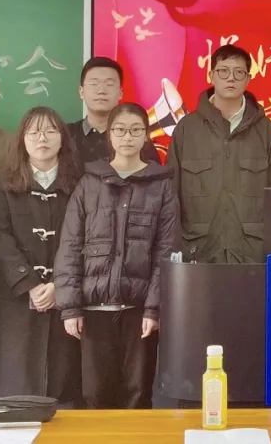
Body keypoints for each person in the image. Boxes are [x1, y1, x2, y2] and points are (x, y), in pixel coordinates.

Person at [55, 102, 177, 409]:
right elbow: (70, 245)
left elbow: (165, 251)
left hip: (139, 311)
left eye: (136, 130)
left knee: (138, 395)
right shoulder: (89, 183)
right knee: (94, 395)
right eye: (120, 130)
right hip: (93, 310)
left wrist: (154, 309)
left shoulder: (161, 185)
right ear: (109, 135)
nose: (128, 137)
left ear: (146, 136)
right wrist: (70, 307)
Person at [0, 107, 83, 405]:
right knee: (18, 383)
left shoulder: (81, 185)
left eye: (51, 131)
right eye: (34, 132)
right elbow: (1, 239)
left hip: (66, 294)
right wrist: (30, 284)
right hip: (15, 297)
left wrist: (58, 284)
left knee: (65, 379)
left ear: (62, 139)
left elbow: (85, 239)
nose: (42, 138)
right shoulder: (2, 187)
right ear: (22, 140)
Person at [166, 44, 271, 264]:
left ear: (248, 79)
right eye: (223, 71)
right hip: (197, 252)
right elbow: (170, 194)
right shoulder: (187, 129)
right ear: (211, 75)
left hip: (252, 253)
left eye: (238, 72)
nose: (231, 78)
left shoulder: (265, 130)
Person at [66, 56, 160, 165]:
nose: (101, 91)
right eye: (94, 84)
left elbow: (154, 173)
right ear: (81, 92)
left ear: (120, 93)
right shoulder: (65, 135)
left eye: (109, 84)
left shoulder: (136, 137)